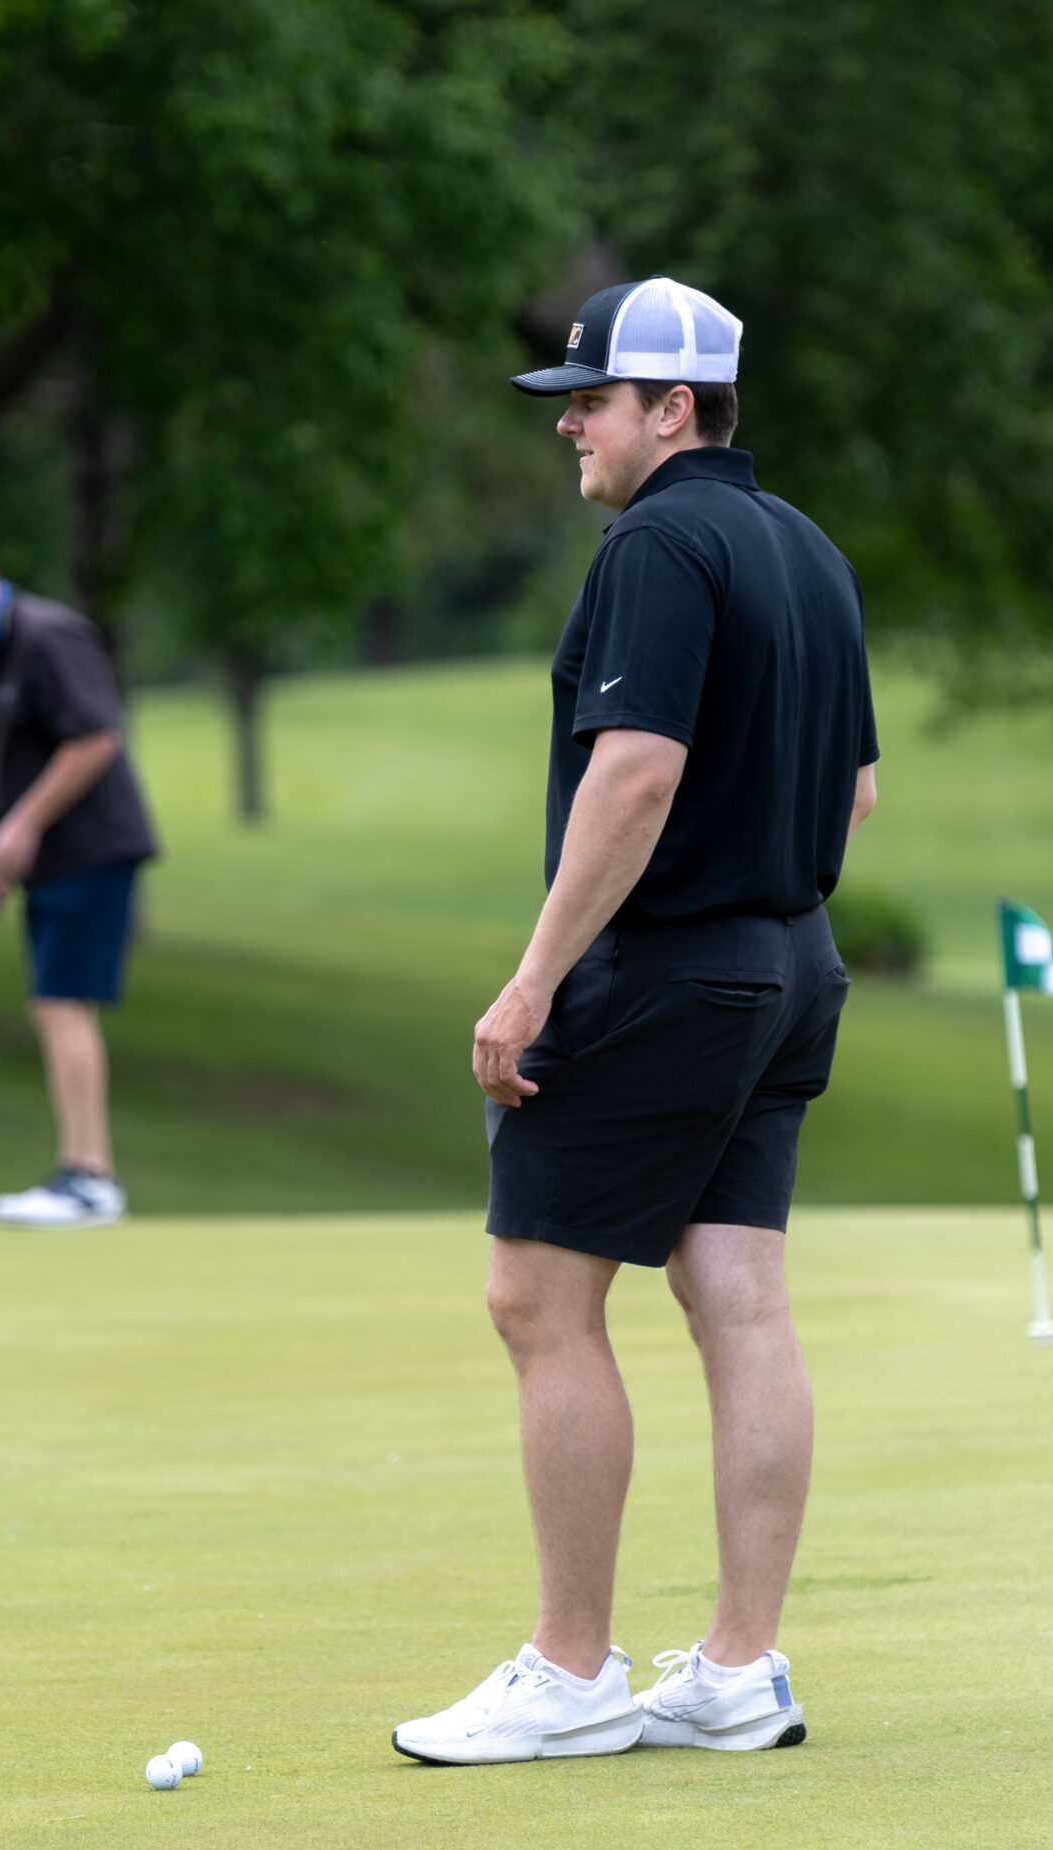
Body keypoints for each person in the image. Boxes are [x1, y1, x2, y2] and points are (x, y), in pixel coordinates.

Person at [391, 278, 881, 1765]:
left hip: (667, 969)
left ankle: (571, 1669)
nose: (570, 428)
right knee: (737, 1295)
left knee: (538, 1297)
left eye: (591, 401)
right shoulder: (806, 546)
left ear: (673, 408)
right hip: (790, 962)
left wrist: (534, 977)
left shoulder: (658, 542)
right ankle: (737, 1666)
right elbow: (856, 791)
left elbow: (636, 772)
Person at [0, 534, 159, 1229]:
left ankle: (90, 1177)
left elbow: (95, 738)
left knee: (60, 1001)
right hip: (45, 854)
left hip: (93, 844)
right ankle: (82, 1171)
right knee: (54, 1003)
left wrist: (21, 826)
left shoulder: (49, 636)